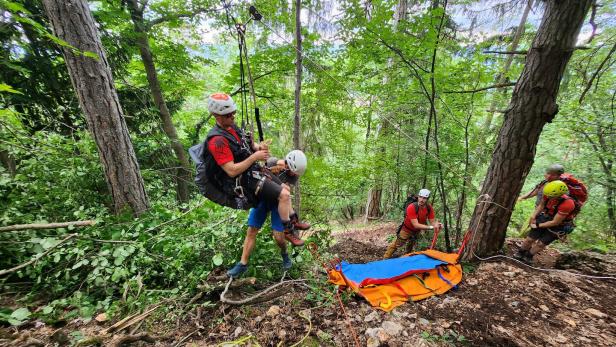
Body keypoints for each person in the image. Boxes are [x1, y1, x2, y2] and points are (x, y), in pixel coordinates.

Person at [201, 92, 308, 276]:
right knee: (253, 229)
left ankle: (287, 242)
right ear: (216, 116)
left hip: (266, 189)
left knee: (279, 232)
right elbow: (232, 170)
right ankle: (244, 263)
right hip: (249, 184)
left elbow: (247, 146)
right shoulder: (217, 140)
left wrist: (258, 148)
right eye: (228, 115)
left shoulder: (232, 127)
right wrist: (257, 156)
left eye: (234, 113)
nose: (233, 117)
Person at [227, 152, 310, 278]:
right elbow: (258, 174)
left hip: (278, 204)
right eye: (293, 172)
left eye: (296, 174)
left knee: (278, 237)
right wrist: (270, 171)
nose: (294, 175)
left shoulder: (294, 175)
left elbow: (285, 192)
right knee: (252, 230)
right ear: (288, 164)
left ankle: (284, 253)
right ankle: (242, 264)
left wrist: (273, 177)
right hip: (262, 199)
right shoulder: (272, 162)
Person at [514, 180, 578, 263]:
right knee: (530, 238)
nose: (548, 197)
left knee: (542, 243)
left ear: (559, 195)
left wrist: (537, 225)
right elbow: (541, 205)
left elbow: (555, 222)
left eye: (550, 196)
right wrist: (533, 216)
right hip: (546, 216)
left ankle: (529, 256)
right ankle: (520, 252)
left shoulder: (568, 204)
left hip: (559, 225)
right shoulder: (548, 194)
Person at [383, 189, 443, 258]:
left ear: (427, 199)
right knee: (397, 244)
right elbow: (416, 225)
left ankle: (406, 259)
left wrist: (437, 225)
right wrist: (431, 227)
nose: (421, 200)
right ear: (418, 197)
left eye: (424, 198)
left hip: (416, 231)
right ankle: (385, 258)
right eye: (420, 197)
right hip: (406, 230)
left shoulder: (429, 208)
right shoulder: (412, 207)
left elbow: (432, 221)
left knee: (411, 245)